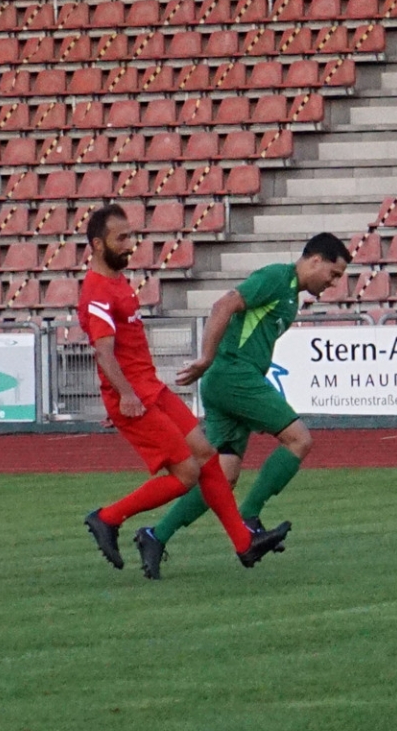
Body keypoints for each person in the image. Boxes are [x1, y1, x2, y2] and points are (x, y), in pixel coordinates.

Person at [76, 204, 291, 577]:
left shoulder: (117, 282)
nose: (130, 244)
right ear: (97, 244)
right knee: (187, 473)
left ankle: (244, 543)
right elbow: (104, 352)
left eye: (130, 236)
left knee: (207, 455)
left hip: (150, 389)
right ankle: (107, 518)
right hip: (134, 397)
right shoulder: (96, 291)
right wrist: (125, 395)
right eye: (121, 238)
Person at [132, 234, 351, 578]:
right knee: (299, 440)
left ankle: (155, 536)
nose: (334, 283)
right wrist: (207, 357)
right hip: (234, 375)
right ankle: (249, 518)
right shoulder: (276, 278)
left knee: (222, 476)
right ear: (315, 260)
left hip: (231, 378)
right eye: (333, 274)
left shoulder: (291, 296)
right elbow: (224, 305)